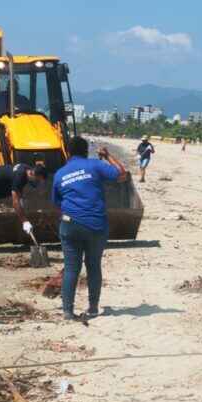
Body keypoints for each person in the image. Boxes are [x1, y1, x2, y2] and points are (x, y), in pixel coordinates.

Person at [52, 137, 126, 321]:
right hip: (96, 226)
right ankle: (93, 308)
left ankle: (67, 311)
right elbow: (121, 173)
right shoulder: (95, 165)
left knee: (71, 269)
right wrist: (108, 156)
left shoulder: (60, 174)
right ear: (86, 151)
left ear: (67, 152)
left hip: (69, 225)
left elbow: (57, 202)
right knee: (93, 267)